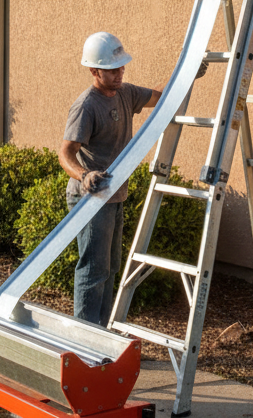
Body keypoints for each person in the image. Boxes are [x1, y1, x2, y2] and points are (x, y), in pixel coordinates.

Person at [58, 31, 163, 326]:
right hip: (90, 197)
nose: (119, 73)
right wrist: (84, 174)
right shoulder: (86, 106)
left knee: (111, 267)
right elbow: (65, 154)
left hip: (114, 195)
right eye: (112, 69)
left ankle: (100, 331)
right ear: (94, 71)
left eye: (121, 67)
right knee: (93, 270)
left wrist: (187, 70)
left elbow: (160, 97)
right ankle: (85, 337)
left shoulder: (126, 93)